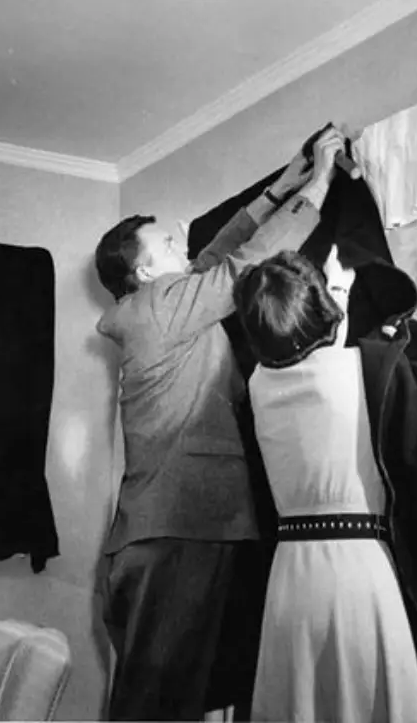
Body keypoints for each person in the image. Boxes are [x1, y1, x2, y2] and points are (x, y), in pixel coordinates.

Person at [93, 126, 347, 721]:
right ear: (146, 272)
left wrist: (281, 186)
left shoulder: (159, 304)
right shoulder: (158, 309)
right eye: (165, 238)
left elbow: (214, 257)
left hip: (180, 528)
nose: (182, 235)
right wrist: (321, 182)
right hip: (179, 528)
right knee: (157, 707)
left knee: (172, 700)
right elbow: (243, 265)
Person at [233, 246, 417, 723]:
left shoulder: (258, 386)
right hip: (357, 568)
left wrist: (329, 294)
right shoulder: (365, 368)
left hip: (291, 577)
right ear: (321, 307)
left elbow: (308, 350)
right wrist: (338, 289)